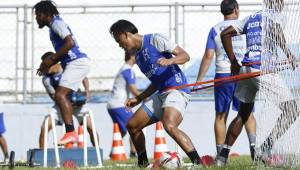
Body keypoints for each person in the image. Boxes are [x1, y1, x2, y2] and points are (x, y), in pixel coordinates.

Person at [109, 19, 203, 168]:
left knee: (169, 125)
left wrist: (171, 61)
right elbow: (156, 82)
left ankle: (199, 164)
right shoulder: (138, 58)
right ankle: (143, 164)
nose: (119, 45)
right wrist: (139, 98)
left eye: (118, 40)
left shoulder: (154, 39)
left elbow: (185, 56)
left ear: (125, 34)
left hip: (177, 90)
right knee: (132, 126)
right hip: (161, 93)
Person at [216, 0, 297, 165]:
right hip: (262, 70)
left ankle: (222, 157)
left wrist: (233, 61)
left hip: (246, 70)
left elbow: (225, 34)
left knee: (243, 114)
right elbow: (275, 29)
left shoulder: (250, 17)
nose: (283, 4)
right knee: (292, 109)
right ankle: (266, 146)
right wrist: (289, 53)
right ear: (276, 3)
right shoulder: (277, 16)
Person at [194, 0, 256, 158]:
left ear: (222, 12)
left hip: (223, 75)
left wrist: (199, 80)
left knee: (221, 116)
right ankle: (254, 151)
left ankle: (221, 156)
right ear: (236, 9)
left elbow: (208, 56)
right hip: (244, 73)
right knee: (247, 113)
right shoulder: (246, 25)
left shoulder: (214, 29)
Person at [34, 0, 91, 147]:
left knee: (60, 95)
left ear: (46, 13)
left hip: (77, 62)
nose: (36, 18)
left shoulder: (56, 23)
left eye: (37, 14)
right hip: (74, 63)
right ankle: (70, 131)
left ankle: (70, 132)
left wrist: (52, 58)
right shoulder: (53, 26)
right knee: (62, 96)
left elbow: (70, 43)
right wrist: (45, 64)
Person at [39, 52, 99, 149]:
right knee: (45, 127)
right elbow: (54, 96)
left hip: (77, 105)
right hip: (61, 106)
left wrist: (87, 91)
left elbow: (83, 77)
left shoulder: (67, 68)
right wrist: (65, 102)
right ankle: (42, 156)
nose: (43, 67)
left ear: (53, 62)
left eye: (45, 64)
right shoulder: (46, 79)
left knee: (91, 127)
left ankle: (97, 151)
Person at [107, 51, 139, 157]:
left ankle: (114, 153)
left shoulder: (123, 69)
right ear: (132, 56)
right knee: (135, 125)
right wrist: (146, 97)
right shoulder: (128, 70)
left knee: (121, 130)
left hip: (112, 105)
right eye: (137, 54)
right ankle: (134, 153)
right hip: (118, 104)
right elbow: (133, 89)